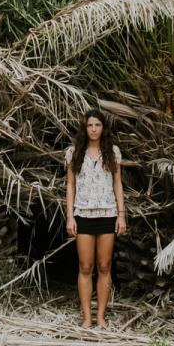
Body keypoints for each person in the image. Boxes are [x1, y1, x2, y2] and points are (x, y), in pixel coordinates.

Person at [65, 108, 126, 328]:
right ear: (85, 127)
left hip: (108, 214)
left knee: (104, 266)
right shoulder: (74, 152)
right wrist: (70, 217)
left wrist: (121, 215)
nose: (93, 129)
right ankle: (86, 318)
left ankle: (100, 316)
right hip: (83, 214)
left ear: (103, 128)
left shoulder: (113, 152)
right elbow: (70, 185)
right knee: (85, 266)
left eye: (97, 125)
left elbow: (118, 184)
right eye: (90, 125)